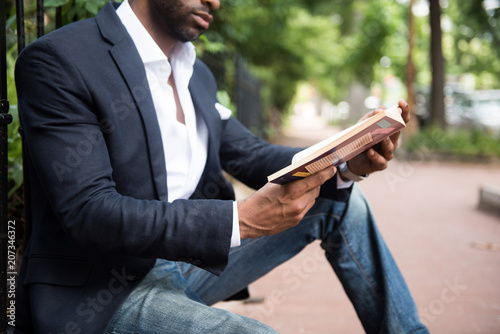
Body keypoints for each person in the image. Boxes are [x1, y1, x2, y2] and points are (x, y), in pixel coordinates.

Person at [14, 0, 428, 333]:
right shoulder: (62, 60)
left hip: (187, 262)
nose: (216, 2)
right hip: (103, 290)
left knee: (341, 203)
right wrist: (241, 220)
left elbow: (249, 154)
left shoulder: (196, 75)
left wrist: (344, 157)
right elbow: (90, 214)